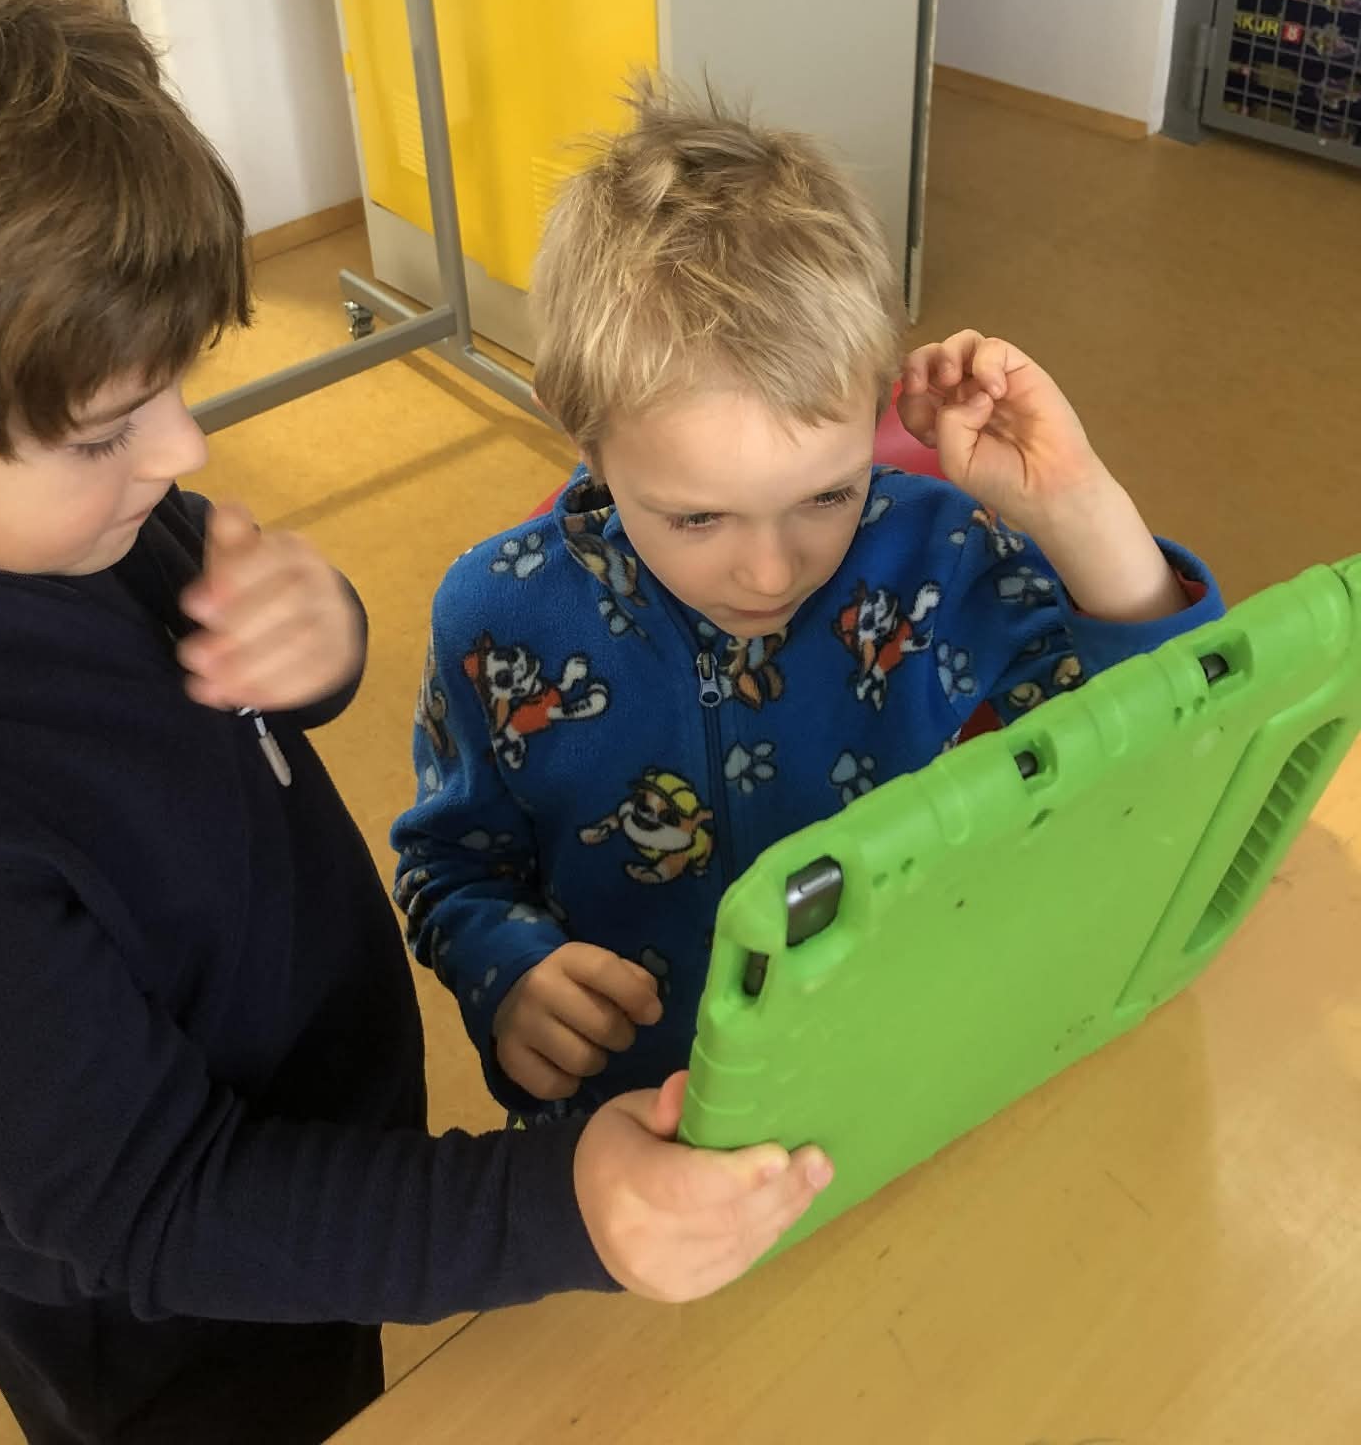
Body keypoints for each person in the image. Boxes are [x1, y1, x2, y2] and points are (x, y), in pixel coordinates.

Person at [0, 0, 831, 1445]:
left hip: (322, 1139)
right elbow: (164, 1204)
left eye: (171, 387)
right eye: (107, 429)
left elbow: (249, 699)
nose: (183, 453)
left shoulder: (71, 525)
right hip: (176, 1342)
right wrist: (559, 1206)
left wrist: (323, 634)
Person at [394, 82, 1222, 1118]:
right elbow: (448, 863)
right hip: (642, 1127)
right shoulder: (496, 617)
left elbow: (1168, 730)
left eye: (828, 494)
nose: (772, 573)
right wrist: (508, 971)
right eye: (699, 516)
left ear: (878, 404)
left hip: (909, 1082)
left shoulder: (939, 552)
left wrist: (1077, 504)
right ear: (577, 426)